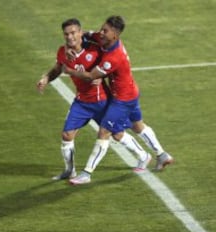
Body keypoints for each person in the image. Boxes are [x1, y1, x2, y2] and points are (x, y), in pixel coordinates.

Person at [62, 16, 174, 185]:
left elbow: (91, 76)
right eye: (102, 28)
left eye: (105, 31)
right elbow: (82, 34)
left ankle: (86, 173)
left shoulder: (114, 57)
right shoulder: (103, 38)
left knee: (104, 132)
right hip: (132, 91)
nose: (101, 32)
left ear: (115, 35)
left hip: (123, 99)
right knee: (138, 126)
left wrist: (69, 70)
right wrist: (67, 47)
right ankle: (162, 155)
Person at [37, 18, 151, 181]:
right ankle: (70, 171)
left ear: (80, 32)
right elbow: (57, 68)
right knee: (67, 135)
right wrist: (46, 79)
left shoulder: (96, 50)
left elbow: (108, 67)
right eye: (66, 34)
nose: (70, 37)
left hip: (102, 101)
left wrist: (97, 77)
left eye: (73, 33)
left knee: (117, 134)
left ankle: (143, 155)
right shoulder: (63, 51)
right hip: (82, 102)